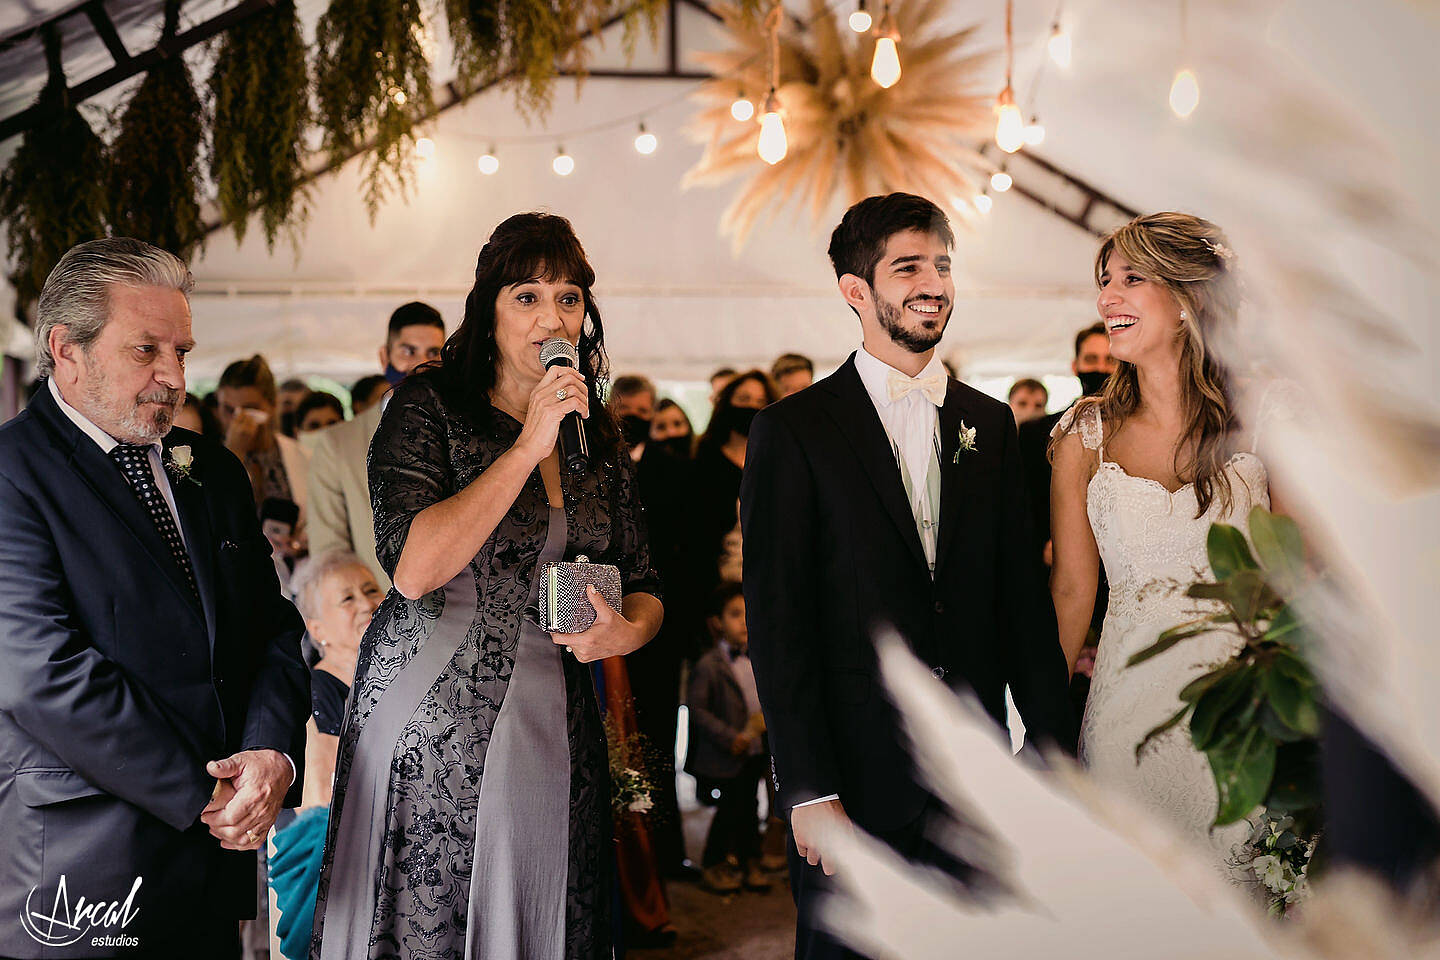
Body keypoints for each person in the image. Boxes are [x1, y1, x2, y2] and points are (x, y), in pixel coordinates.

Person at [310, 212, 663, 960]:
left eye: (568, 298)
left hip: (556, 707)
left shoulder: (596, 432)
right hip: (434, 708)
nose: (551, 319)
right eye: (527, 297)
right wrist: (529, 442)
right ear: (488, 311)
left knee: (549, 907)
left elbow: (645, 579)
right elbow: (414, 569)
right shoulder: (430, 407)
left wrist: (627, 630)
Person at [740, 193, 1076, 960]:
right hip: (854, 779)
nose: (934, 284)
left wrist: (1050, 750)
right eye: (909, 267)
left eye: (943, 266)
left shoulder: (990, 425)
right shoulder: (793, 431)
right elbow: (779, 624)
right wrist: (810, 790)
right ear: (855, 290)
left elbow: (1021, 604)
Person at [0, 237, 309, 957]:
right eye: (146, 350)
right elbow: (39, 671)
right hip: (82, 868)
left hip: (213, 869)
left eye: (182, 352)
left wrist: (271, 752)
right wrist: (205, 793)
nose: (173, 376)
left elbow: (273, 628)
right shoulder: (11, 471)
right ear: (66, 350)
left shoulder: (213, 471)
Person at [1049, 212, 1283, 875]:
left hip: (1246, 714)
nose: (1107, 298)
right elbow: (1072, 590)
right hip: (1126, 718)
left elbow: (1303, 576)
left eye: (1130, 279)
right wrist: (1037, 724)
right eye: (1104, 281)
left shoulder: (1267, 419)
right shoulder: (1084, 435)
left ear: (1188, 299)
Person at [268, 551, 382, 960]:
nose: (367, 603)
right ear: (317, 629)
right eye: (347, 598)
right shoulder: (317, 690)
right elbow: (324, 800)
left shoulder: (392, 675)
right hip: (341, 859)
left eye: (371, 589)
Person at [610, 374, 698, 880]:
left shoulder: (677, 470)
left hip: (661, 622)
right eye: (629, 410)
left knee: (659, 736)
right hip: (600, 618)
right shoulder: (592, 461)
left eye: (645, 411)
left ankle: (665, 853)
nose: (637, 418)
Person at [305, 302, 445, 591]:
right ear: (385, 357)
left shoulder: (465, 433)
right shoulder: (337, 444)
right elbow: (329, 550)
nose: (420, 365)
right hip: (375, 604)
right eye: (408, 351)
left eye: (433, 353)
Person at [685, 582, 771, 894]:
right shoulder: (709, 665)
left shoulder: (758, 658)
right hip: (728, 753)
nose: (744, 622)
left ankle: (750, 861)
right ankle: (714, 863)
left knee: (750, 807)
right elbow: (698, 711)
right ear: (717, 622)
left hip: (754, 750)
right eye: (735, 614)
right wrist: (729, 737)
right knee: (730, 811)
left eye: (748, 613)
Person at [1018, 321, 1116, 568]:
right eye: (1091, 360)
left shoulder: (1139, 430)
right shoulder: (1037, 431)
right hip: (1053, 560)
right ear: (1075, 366)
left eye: (1109, 360)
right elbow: (1024, 501)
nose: (1100, 368)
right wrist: (1042, 543)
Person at [694, 370, 777, 592]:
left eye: (760, 401)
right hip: (714, 581)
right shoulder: (703, 459)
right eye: (744, 399)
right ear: (727, 403)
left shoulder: (777, 463)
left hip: (768, 580)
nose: (752, 407)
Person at [217, 355, 310, 541]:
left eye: (249, 409)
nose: (238, 420)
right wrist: (233, 454)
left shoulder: (303, 456)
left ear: (272, 405)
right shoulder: (208, 459)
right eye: (229, 410)